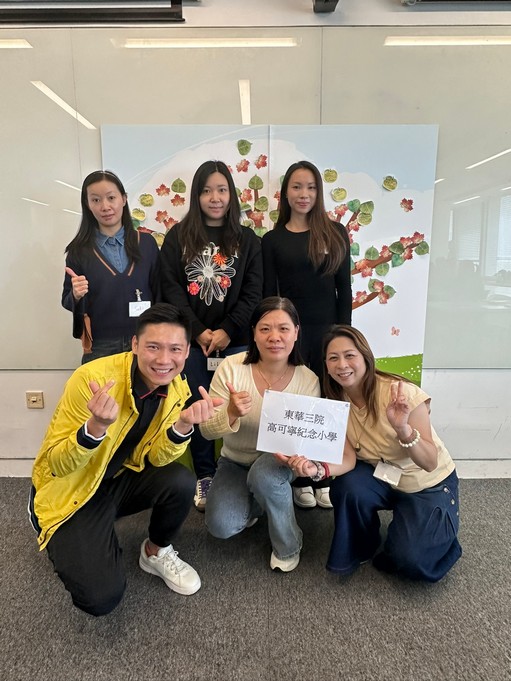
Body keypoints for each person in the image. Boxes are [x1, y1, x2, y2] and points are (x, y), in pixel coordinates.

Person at [29, 303, 223, 616]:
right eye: (153, 347)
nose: (164, 360)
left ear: (187, 351)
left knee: (181, 480)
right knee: (100, 598)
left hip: (120, 477)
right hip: (72, 488)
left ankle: (155, 551)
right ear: (135, 344)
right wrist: (95, 428)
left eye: (175, 349)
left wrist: (183, 426)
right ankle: (52, 520)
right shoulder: (92, 379)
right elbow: (57, 463)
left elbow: (158, 458)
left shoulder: (176, 387)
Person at [280, 324, 462, 582]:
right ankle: (365, 542)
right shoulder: (336, 402)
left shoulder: (400, 394)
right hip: (383, 477)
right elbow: (348, 459)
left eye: (349, 355)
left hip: (427, 484)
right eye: (333, 358)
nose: (342, 365)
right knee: (347, 487)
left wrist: (403, 430)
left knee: (411, 560)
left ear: (366, 357)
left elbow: (430, 462)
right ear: (326, 366)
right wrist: (317, 470)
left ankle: (437, 535)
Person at [160, 160, 262, 511]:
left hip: (237, 341)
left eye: (221, 190)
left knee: (241, 406)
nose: (214, 198)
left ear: (231, 194)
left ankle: (242, 474)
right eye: (206, 191)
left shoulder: (247, 240)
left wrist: (227, 330)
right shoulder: (178, 236)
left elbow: (254, 292)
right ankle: (205, 474)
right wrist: (198, 331)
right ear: (196, 196)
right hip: (191, 344)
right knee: (197, 405)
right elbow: (170, 289)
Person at [200, 297, 320, 573]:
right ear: (253, 333)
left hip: (278, 462)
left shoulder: (308, 379)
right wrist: (230, 413)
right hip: (235, 461)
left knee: (265, 475)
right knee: (221, 525)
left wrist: (300, 460)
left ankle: (289, 545)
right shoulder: (231, 368)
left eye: (283, 329)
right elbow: (206, 431)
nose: (274, 337)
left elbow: (308, 440)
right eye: (265, 329)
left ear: (296, 332)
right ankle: (265, 500)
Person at [262, 160, 352, 510]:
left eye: (311, 187)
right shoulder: (272, 240)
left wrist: (343, 338)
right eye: (297, 187)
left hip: (328, 334)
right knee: (297, 406)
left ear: (319, 192)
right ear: (285, 192)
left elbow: (344, 291)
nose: (304, 194)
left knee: (328, 403)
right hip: (291, 337)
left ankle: (323, 476)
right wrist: (276, 337)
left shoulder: (335, 232)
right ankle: (300, 478)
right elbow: (269, 296)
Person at [62, 170, 160, 364]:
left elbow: (161, 292)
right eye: (96, 200)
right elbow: (66, 300)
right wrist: (76, 294)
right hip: (101, 345)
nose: (105, 206)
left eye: (111, 198)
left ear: (123, 199)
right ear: (87, 205)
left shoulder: (147, 243)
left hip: (145, 341)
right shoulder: (78, 251)